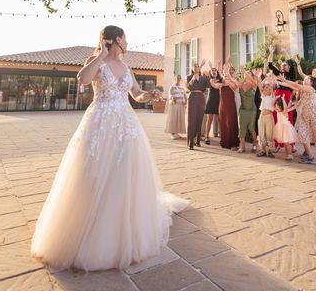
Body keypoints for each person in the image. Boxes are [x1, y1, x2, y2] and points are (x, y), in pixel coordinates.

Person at [31, 25, 188, 271]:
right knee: (92, 173)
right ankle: (86, 231)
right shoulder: (96, 62)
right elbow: (82, 79)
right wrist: (101, 55)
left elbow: (136, 94)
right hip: (99, 124)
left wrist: (151, 94)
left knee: (123, 173)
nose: (128, 42)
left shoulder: (127, 68)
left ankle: (119, 232)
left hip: (125, 126)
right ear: (116, 39)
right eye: (125, 38)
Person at [275, 74, 316, 164]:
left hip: (313, 115)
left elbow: (296, 85)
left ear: (312, 82)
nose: (304, 81)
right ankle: (310, 157)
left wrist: (284, 80)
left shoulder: (310, 89)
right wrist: (278, 81)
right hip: (305, 116)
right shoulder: (303, 91)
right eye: (304, 79)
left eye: (307, 79)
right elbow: (295, 98)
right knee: (303, 136)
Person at [212, 62, 239, 150]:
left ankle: (233, 143)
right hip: (222, 106)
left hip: (230, 106)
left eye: (230, 72)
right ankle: (225, 142)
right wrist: (212, 81)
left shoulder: (232, 83)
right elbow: (214, 85)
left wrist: (227, 76)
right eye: (226, 72)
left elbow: (233, 86)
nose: (227, 73)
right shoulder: (221, 83)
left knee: (231, 123)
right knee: (223, 123)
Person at [186, 61, 209, 150]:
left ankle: (197, 140)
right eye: (194, 66)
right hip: (192, 98)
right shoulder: (189, 77)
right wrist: (193, 77)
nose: (196, 67)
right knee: (192, 120)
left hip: (201, 99)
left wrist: (208, 76)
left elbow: (209, 84)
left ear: (200, 68)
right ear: (192, 69)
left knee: (200, 120)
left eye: (197, 66)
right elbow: (188, 86)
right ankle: (190, 143)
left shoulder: (203, 78)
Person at [203, 64, 221, 145]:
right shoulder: (209, 80)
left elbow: (220, 84)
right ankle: (206, 136)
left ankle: (222, 137)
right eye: (212, 71)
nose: (214, 72)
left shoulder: (221, 79)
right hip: (211, 100)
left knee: (219, 119)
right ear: (211, 73)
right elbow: (214, 84)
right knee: (209, 119)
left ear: (217, 72)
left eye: (215, 70)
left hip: (218, 100)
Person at [165, 75, 186, 140]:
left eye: (179, 78)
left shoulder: (182, 87)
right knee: (173, 118)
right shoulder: (172, 87)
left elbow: (184, 95)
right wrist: (172, 97)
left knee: (179, 118)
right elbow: (169, 94)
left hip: (181, 105)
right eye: (177, 78)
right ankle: (173, 133)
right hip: (174, 104)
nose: (178, 79)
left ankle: (177, 133)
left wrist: (185, 101)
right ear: (175, 79)